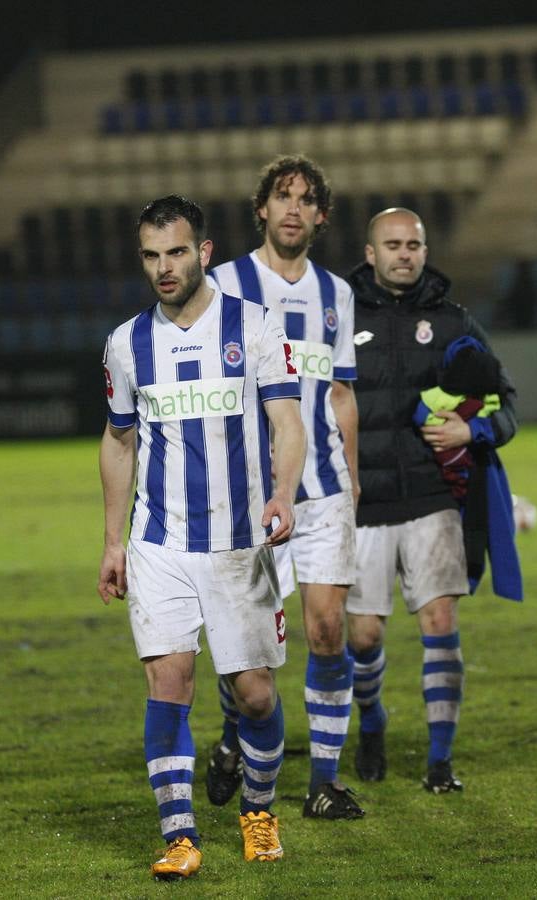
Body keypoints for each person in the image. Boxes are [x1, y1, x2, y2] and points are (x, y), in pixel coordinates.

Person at [97, 195, 306, 879]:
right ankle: (180, 835)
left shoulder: (254, 326)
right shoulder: (128, 343)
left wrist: (282, 490)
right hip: (159, 544)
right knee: (170, 682)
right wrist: (112, 541)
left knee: (254, 694)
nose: (164, 267)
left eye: (177, 252)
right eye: (152, 256)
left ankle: (259, 809)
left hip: (239, 544)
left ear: (204, 252)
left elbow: (286, 420)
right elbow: (119, 440)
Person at [208, 155, 365, 820]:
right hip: (249, 492)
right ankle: (232, 739)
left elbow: (342, 393)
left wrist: (352, 478)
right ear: (262, 209)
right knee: (246, 647)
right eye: (283, 196)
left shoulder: (337, 294)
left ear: (321, 216)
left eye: (306, 199)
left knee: (328, 628)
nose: (294, 208)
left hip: (324, 488)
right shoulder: (223, 285)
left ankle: (322, 783)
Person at [344, 207, 518, 793]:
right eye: (391, 245)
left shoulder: (452, 320)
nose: (403, 254)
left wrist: (475, 432)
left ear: (424, 249)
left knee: (440, 622)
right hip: (361, 503)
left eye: (413, 244)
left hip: (433, 497)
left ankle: (440, 761)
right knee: (362, 638)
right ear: (371, 253)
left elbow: (507, 406)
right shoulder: (337, 317)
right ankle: (372, 721)